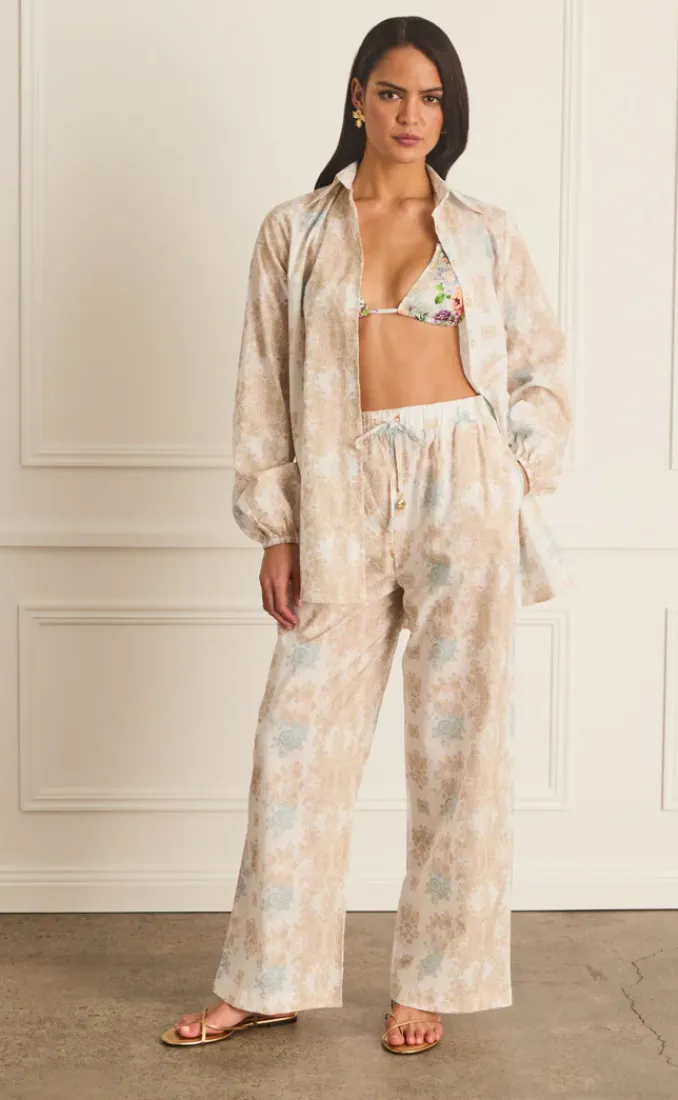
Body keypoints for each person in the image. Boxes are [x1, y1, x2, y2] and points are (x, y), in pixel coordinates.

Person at [161, 14, 572, 1055]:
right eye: (392, 92)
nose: (411, 115)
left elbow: (542, 369)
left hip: (461, 487)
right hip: (341, 493)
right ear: (357, 97)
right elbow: (263, 384)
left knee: (459, 744)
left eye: (431, 98)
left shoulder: (484, 231)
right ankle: (269, 978)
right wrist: (277, 525)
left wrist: (511, 470)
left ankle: (432, 978)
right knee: (294, 744)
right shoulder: (295, 231)